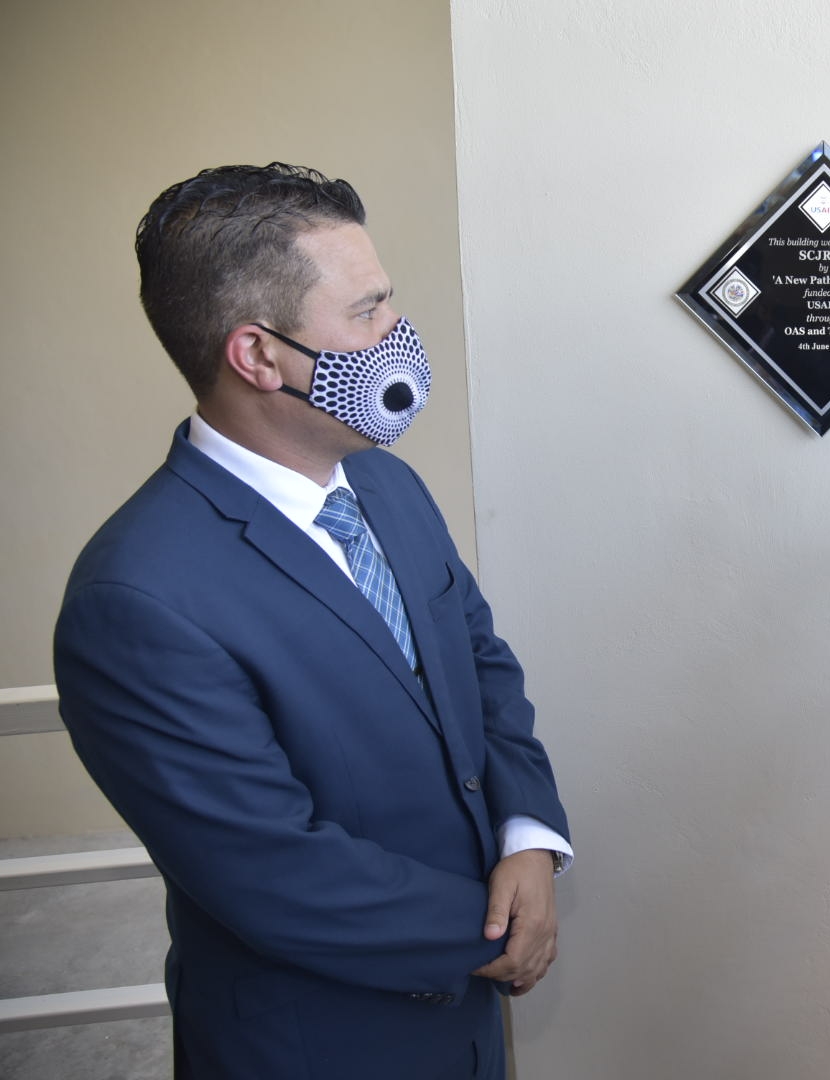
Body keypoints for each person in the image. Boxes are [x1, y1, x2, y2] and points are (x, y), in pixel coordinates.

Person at [54, 163, 571, 1080]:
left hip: (467, 1031)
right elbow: (270, 871)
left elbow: (480, 661)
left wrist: (528, 836)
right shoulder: (134, 599)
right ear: (258, 355)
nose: (398, 336)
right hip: (314, 1046)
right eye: (368, 312)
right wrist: (498, 929)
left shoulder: (386, 483)